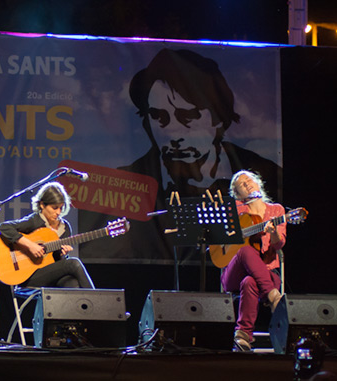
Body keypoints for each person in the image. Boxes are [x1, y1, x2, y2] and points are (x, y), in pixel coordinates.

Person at [79, 48, 283, 262]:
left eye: (187, 116)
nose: (171, 131)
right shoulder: (124, 185)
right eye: (158, 116)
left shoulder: (267, 173)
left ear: (219, 118)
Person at [220, 170, 285, 352]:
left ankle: (243, 336)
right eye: (241, 184)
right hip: (234, 274)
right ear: (237, 194)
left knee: (249, 282)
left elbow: (279, 244)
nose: (247, 183)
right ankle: (274, 297)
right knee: (246, 249)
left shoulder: (276, 211)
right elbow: (218, 239)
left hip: (268, 273)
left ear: (258, 184)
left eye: (249, 180)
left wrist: (272, 233)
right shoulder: (234, 211)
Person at [0, 182, 95, 288]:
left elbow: (59, 262)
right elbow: (3, 227)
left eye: (61, 208)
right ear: (42, 205)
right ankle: (97, 301)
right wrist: (30, 245)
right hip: (30, 276)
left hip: (51, 275)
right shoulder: (35, 221)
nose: (58, 212)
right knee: (73, 263)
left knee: (72, 283)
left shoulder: (65, 228)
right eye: (54, 208)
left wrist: (63, 255)